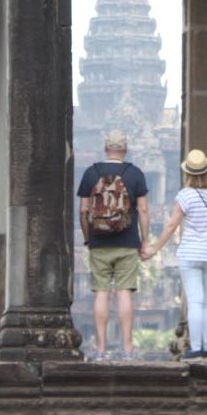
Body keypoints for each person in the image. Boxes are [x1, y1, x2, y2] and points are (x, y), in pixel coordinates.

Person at [145, 148, 207, 360]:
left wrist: (155, 248)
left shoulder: (185, 195)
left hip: (190, 253)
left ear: (188, 173)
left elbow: (171, 225)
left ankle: (196, 348)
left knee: (195, 302)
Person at [77, 129, 150, 362]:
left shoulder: (91, 173)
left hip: (99, 242)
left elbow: (83, 210)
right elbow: (144, 210)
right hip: (127, 242)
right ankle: (127, 349)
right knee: (124, 293)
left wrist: (88, 237)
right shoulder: (135, 174)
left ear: (106, 148)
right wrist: (144, 240)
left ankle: (100, 349)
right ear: (125, 149)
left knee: (101, 293)